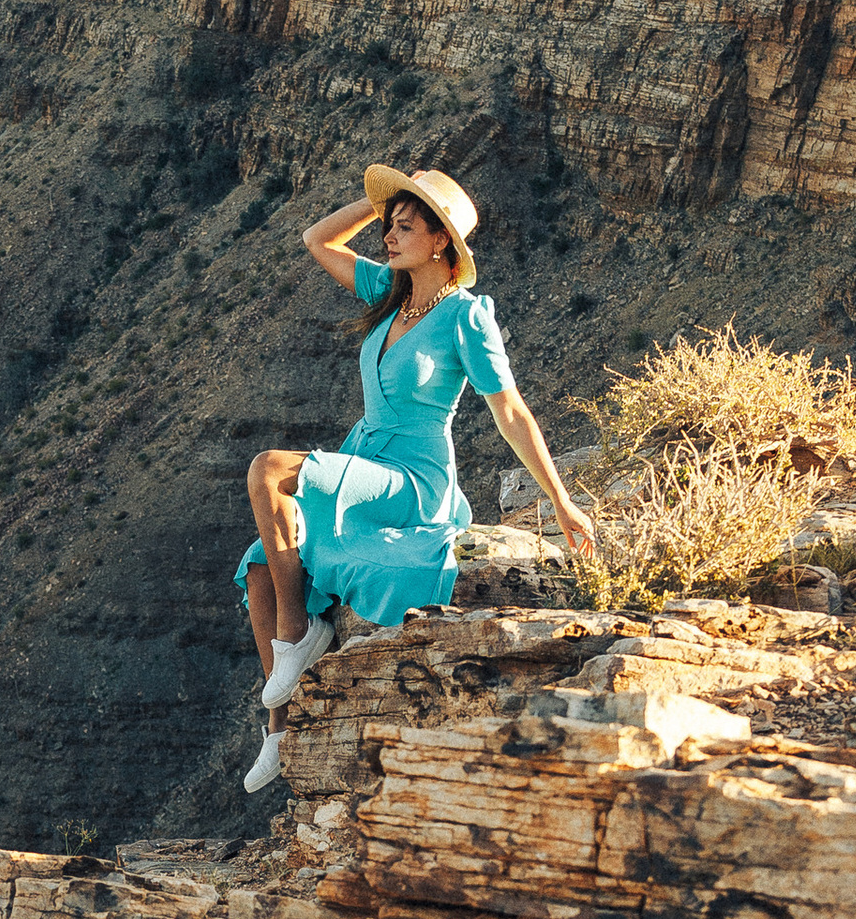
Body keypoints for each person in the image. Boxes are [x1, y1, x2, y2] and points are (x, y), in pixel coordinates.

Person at [234, 164, 595, 793]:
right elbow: (317, 241)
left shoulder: (466, 316)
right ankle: (278, 729)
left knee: (270, 468)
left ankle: (297, 634)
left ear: (441, 242)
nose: (389, 237)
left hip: (412, 476)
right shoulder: (387, 291)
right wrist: (385, 202)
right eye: (389, 226)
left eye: (406, 226)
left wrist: (560, 501)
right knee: (261, 563)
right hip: (363, 456)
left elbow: (509, 410)